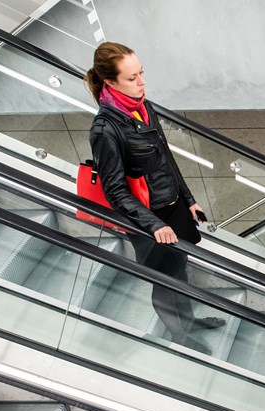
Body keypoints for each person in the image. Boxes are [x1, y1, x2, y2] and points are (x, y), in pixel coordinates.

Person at [85, 41, 221, 354]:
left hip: (172, 206)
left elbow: (166, 159)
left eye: (141, 73)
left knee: (180, 266)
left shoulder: (144, 107)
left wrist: (188, 199)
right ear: (110, 82)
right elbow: (115, 191)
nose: (141, 82)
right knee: (164, 279)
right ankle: (179, 336)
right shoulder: (105, 129)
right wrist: (153, 225)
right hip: (148, 219)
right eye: (132, 78)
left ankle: (188, 320)